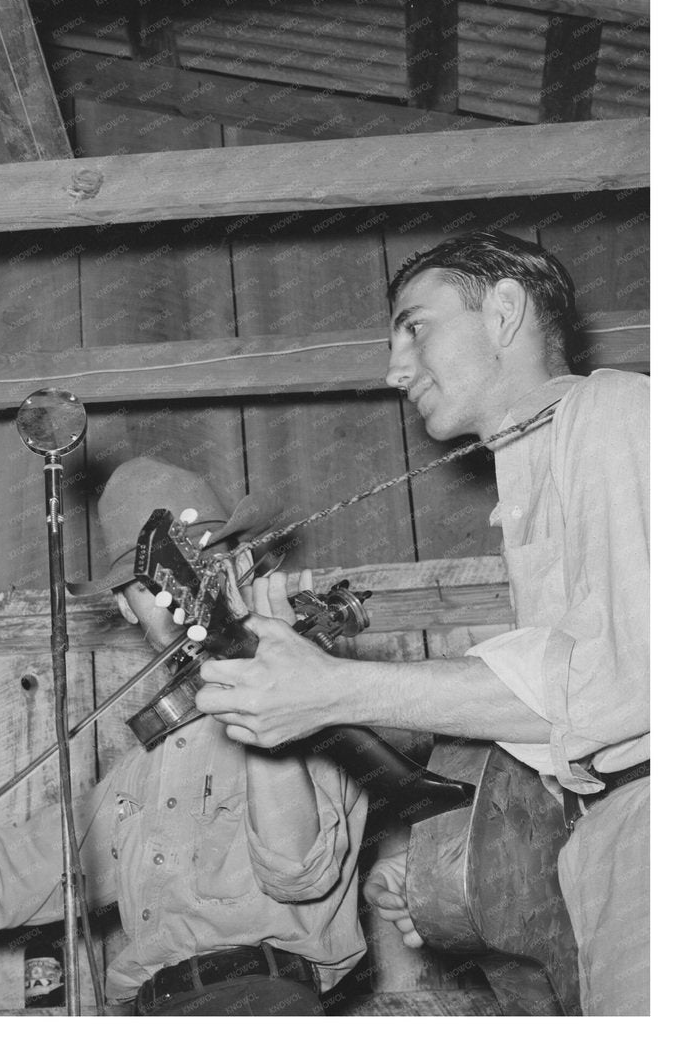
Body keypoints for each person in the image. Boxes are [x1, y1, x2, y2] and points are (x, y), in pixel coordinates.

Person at [195, 230, 649, 1015]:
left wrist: (336, 689)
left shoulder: (614, 407)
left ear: (505, 310)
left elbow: (628, 684)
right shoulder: (535, 473)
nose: (394, 368)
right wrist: (468, 866)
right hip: (607, 845)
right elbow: (568, 713)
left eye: (415, 326)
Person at [0, 458, 368, 1016]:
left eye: (199, 565)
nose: (175, 594)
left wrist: (259, 674)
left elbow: (299, 872)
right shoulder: (142, 776)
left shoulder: (318, 714)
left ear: (243, 566)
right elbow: (4, 875)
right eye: (146, 582)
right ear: (123, 607)